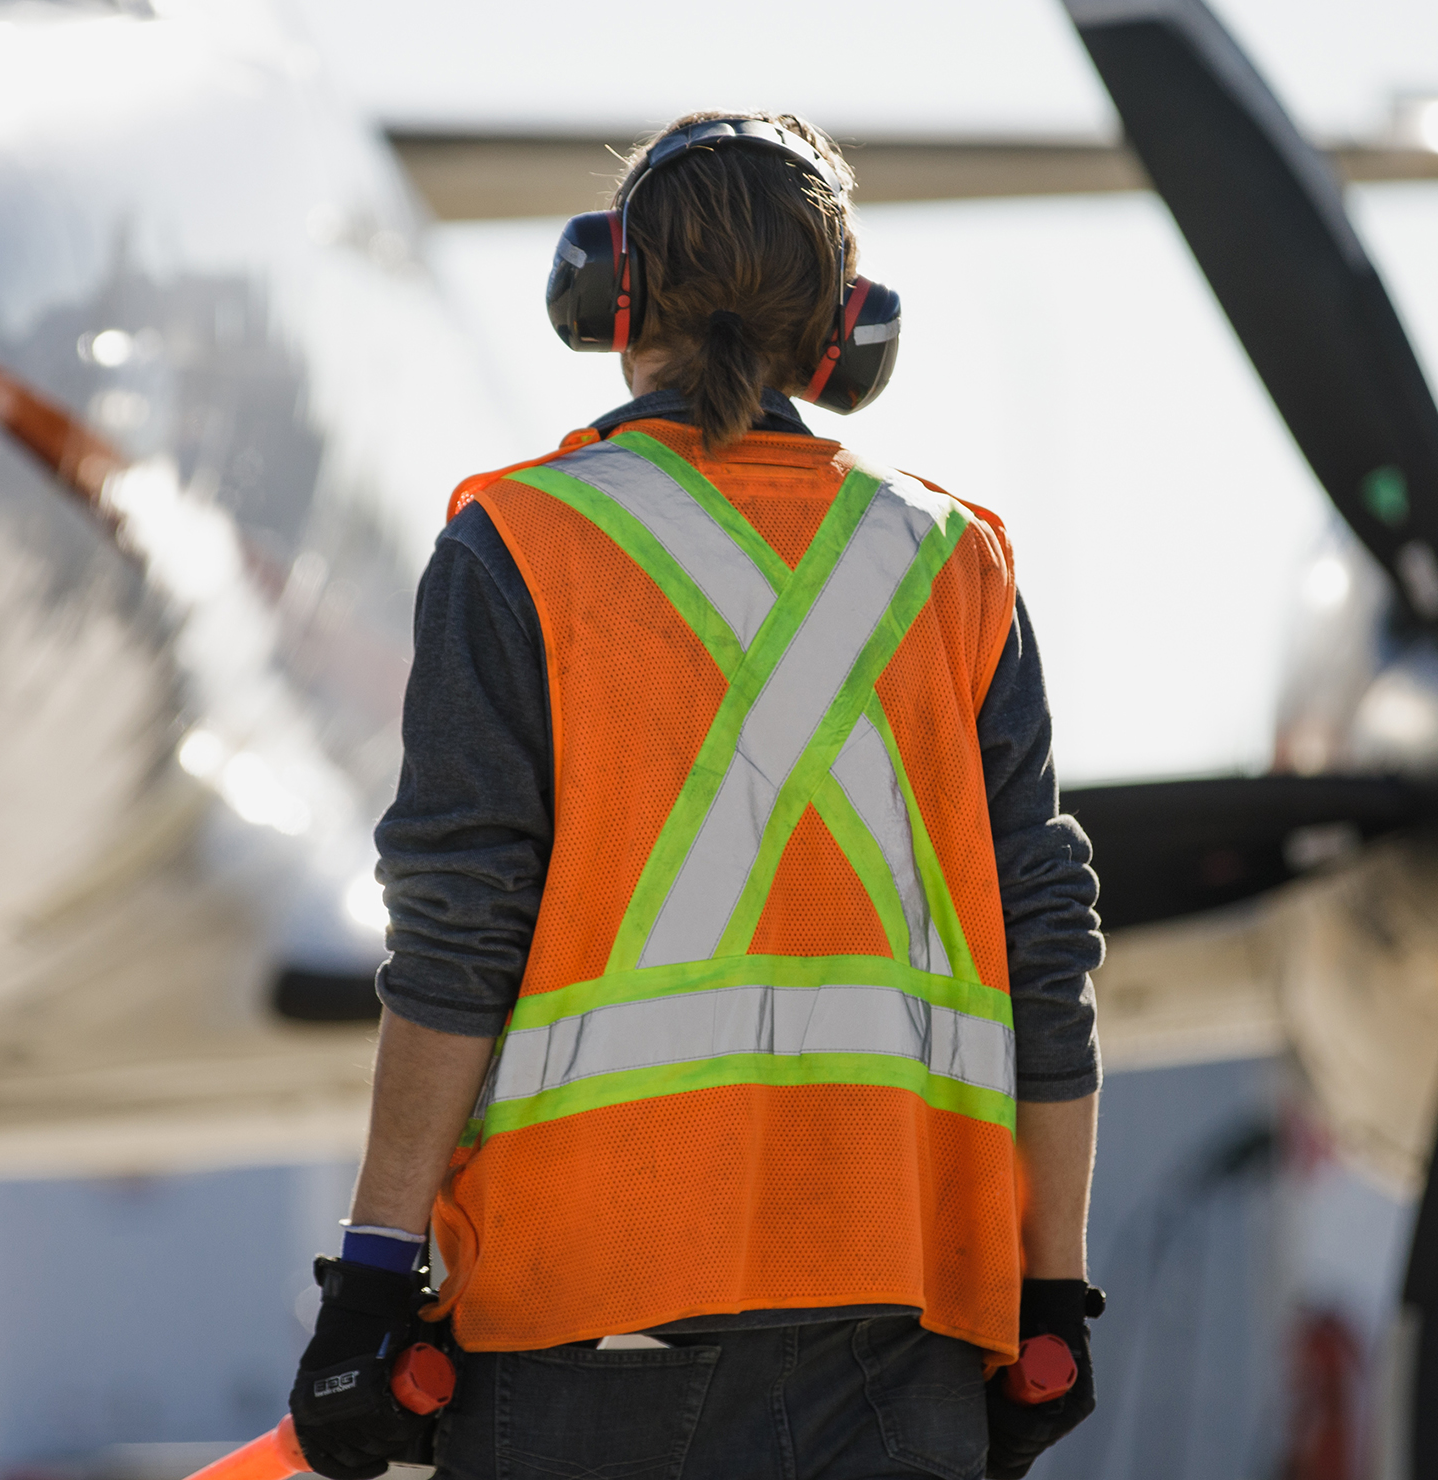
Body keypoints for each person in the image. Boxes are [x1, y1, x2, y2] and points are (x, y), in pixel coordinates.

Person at [289, 111, 1105, 1480]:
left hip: (583, 1331)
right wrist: (1052, 1292)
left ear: (609, 295)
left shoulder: (520, 549)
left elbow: (459, 929)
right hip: (901, 1326)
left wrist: (375, 1272)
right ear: (845, 330)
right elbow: (1048, 945)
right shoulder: (959, 572)